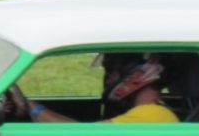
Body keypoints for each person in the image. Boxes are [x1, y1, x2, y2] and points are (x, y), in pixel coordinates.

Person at [17, 53, 180, 124]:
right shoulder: (151, 112)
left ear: (140, 73)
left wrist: (31, 106)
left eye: (113, 71)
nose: (108, 79)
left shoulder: (152, 114)